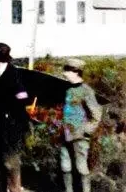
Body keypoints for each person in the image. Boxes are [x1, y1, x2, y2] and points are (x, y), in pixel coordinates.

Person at [0, 42, 30, 192]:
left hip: (12, 126)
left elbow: (23, 97)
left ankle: (15, 190)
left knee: (11, 162)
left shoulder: (13, 74)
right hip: (0, 125)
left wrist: (9, 112)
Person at [60, 58, 101, 192]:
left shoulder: (86, 91)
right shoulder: (67, 88)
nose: (64, 74)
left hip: (80, 136)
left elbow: (97, 114)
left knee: (81, 168)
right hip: (66, 134)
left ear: (76, 72)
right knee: (65, 167)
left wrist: (86, 130)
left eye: (67, 71)